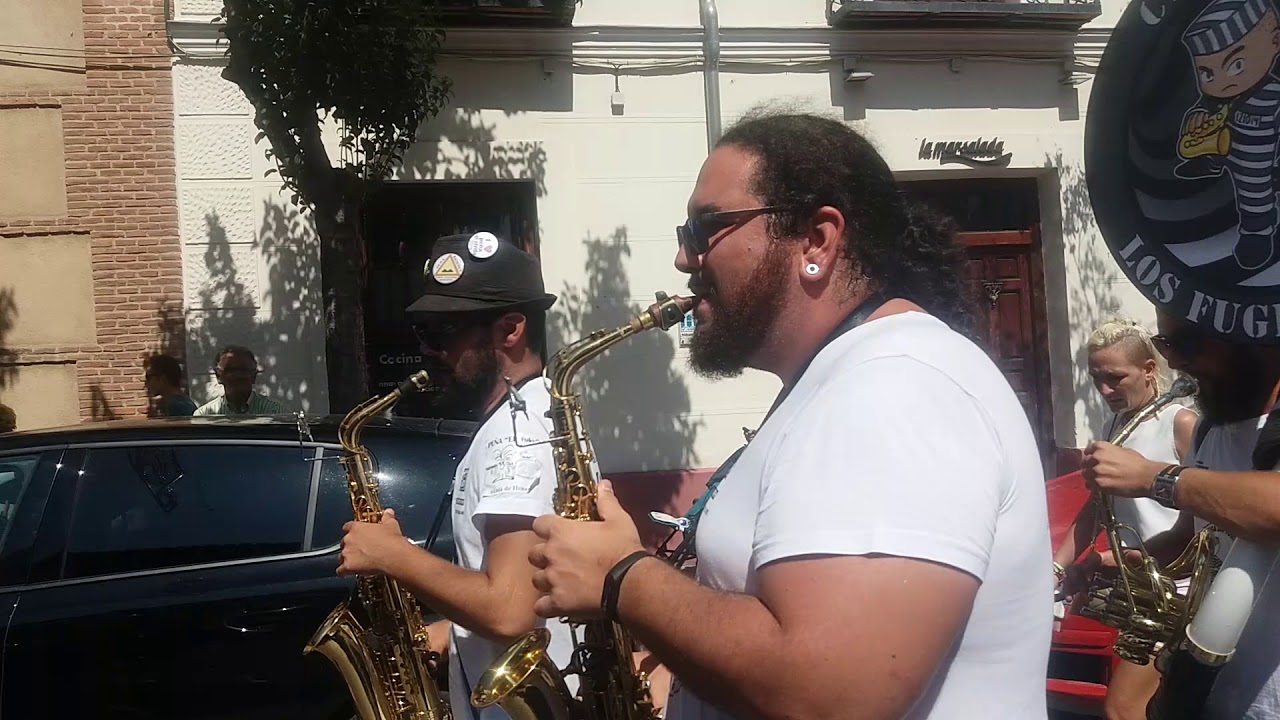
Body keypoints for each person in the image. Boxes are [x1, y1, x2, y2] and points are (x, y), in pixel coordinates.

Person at [523, 110, 1054, 719]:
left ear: (817, 241)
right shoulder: (847, 376)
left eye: (704, 228)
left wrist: (621, 577)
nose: (681, 257)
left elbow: (828, 694)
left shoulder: (895, 387)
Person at [334, 232, 578, 720]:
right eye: (422, 332)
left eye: (443, 333)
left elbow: (511, 610)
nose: (426, 350)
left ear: (510, 329)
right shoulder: (522, 415)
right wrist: (450, 631)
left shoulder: (516, 433)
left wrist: (392, 556)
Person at [1083, 310, 1280, 719]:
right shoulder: (1210, 430)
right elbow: (1190, 535)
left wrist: (1156, 478)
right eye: (1166, 344)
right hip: (1213, 687)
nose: (1175, 362)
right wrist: (1113, 565)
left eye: (1187, 343)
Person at [1051, 318, 1198, 720]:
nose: (1104, 390)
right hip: (1143, 588)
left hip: (1181, 589)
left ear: (1149, 371)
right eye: (1096, 378)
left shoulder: (1180, 423)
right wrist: (1058, 567)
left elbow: (1203, 521)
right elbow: (1097, 507)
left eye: (1115, 378)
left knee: (1122, 707)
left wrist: (1104, 561)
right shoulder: (1114, 425)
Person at [192, 345, 283, 417]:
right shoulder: (204, 415)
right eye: (230, 370)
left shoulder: (274, 412)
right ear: (218, 376)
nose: (237, 376)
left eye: (243, 370)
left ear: (253, 376)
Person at [144, 353, 197, 417]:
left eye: (148, 377)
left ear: (163, 379)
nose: (146, 384)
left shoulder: (177, 406)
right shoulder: (181, 403)